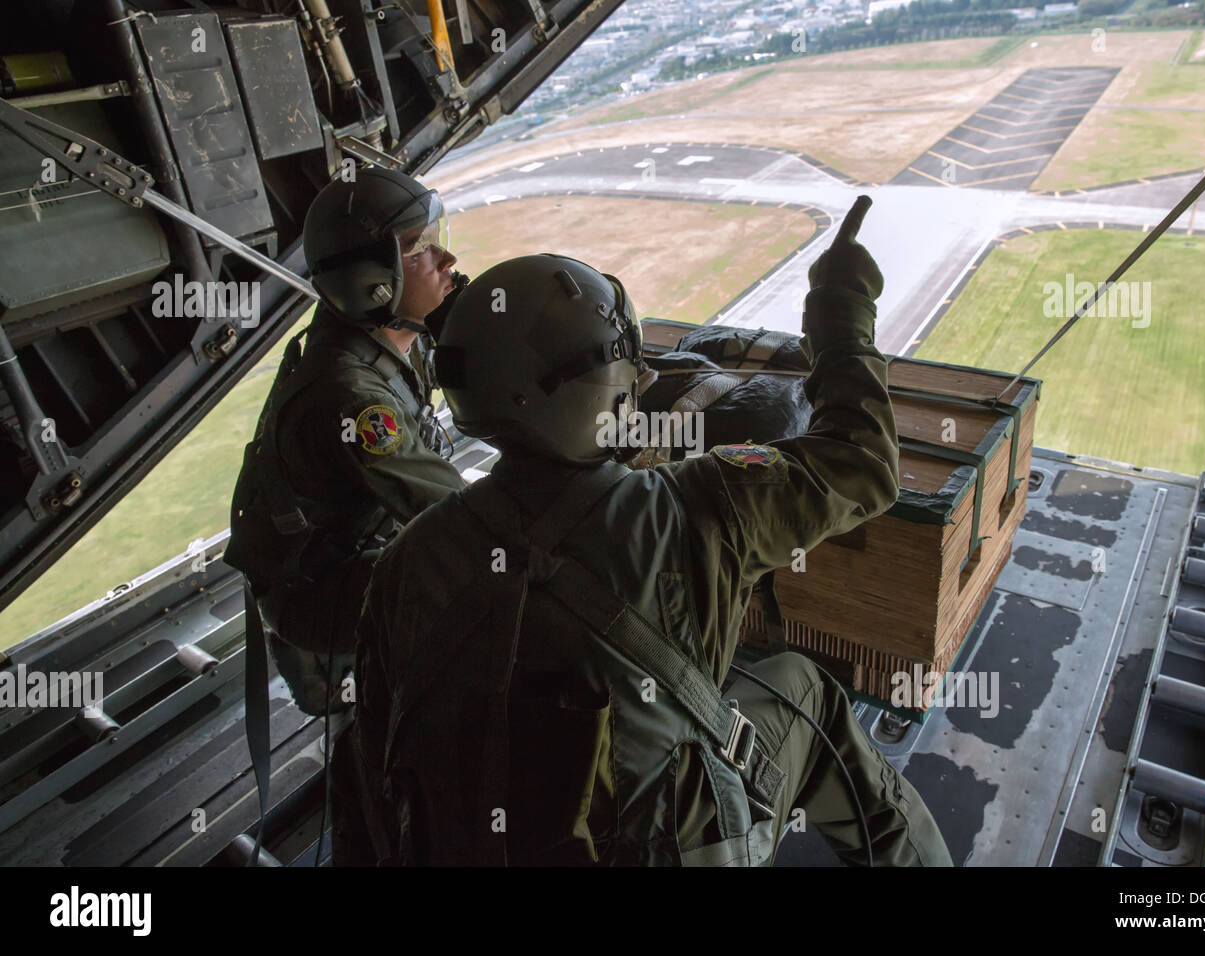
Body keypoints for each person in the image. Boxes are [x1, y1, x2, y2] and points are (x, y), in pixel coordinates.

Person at [333, 197, 953, 866]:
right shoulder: (699, 507)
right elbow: (862, 461)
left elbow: (367, 762)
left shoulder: (405, 561)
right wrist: (841, 315)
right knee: (804, 690)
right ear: (605, 388)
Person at [225, 167, 467, 715]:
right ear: (372, 281)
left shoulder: (384, 330)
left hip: (343, 545)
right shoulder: (353, 397)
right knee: (479, 581)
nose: (448, 261)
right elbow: (456, 515)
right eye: (421, 250)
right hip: (316, 587)